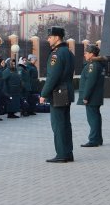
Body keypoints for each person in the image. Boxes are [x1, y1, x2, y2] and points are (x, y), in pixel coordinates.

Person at [39, 26, 75, 163]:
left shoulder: (57, 54)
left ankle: (61, 154)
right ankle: (68, 152)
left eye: (50, 36)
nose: (48, 39)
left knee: (58, 124)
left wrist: (43, 94)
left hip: (58, 93)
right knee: (65, 124)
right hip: (67, 90)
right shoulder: (68, 52)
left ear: (57, 37)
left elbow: (53, 76)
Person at [77, 45, 106, 147]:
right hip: (96, 96)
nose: (84, 54)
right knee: (96, 117)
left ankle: (93, 140)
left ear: (91, 54)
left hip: (92, 97)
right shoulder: (98, 64)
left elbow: (90, 82)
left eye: (86, 52)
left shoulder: (93, 65)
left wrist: (85, 97)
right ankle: (98, 139)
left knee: (92, 118)